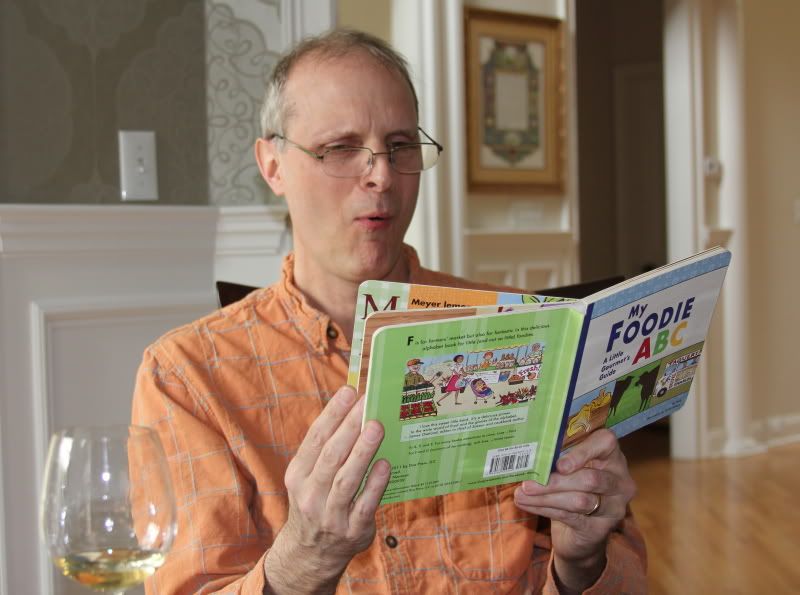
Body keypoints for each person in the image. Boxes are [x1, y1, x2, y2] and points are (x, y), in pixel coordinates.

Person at [131, 29, 646, 594]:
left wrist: (581, 561)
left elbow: (622, 572)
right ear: (273, 165)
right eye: (340, 148)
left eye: (400, 146)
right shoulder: (187, 375)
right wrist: (303, 558)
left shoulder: (516, 332)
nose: (381, 175)